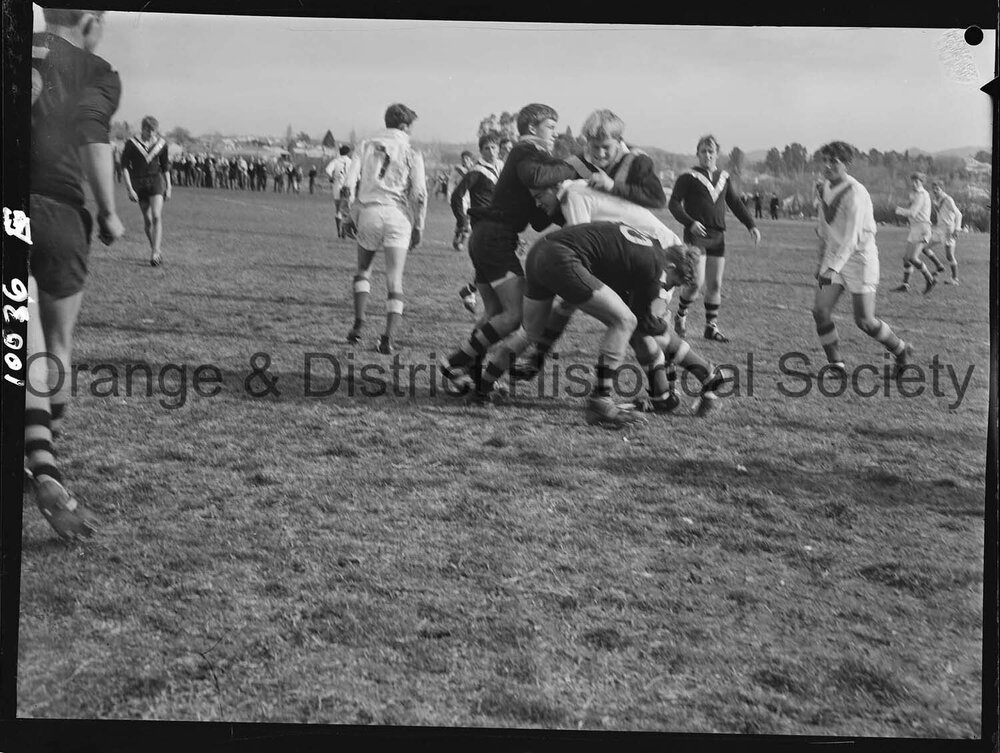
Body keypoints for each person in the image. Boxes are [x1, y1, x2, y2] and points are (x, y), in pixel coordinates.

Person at [27, 8, 125, 539]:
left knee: (18, 337)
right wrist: (109, 212)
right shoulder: (96, 69)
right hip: (61, 211)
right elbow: (92, 135)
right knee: (55, 343)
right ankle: (46, 456)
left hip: (9, 207)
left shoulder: (13, 45)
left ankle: (37, 456)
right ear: (89, 18)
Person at [501, 222, 722, 427]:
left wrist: (539, 354)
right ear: (672, 266)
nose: (666, 289)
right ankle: (691, 381)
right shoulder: (654, 266)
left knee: (638, 326)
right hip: (574, 254)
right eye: (672, 283)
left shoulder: (652, 254)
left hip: (570, 250)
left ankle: (684, 385)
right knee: (636, 325)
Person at [437, 103, 580, 397]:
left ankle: (472, 375)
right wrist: (577, 166)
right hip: (494, 239)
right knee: (515, 316)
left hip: (487, 236)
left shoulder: (528, 155)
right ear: (532, 129)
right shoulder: (528, 150)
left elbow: (539, 220)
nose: (554, 134)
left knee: (494, 314)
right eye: (551, 127)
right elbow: (537, 177)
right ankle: (454, 364)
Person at [812, 141, 912, 380]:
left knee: (864, 321)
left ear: (846, 164)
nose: (827, 165)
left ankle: (900, 349)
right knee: (820, 311)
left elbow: (852, 237)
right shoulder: (823, 187)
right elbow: (824, 228)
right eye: (824, 160)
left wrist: (832, 266)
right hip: (835, 257)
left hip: (860, 258)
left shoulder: (856, 192)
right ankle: (836, 365)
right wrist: (821, 262)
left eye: (833, 161)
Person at [343, 103, 427, 354]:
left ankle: (358, 324)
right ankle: (387, 339)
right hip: (398, 215)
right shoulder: (412, 151)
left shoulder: (365, 144)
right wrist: (419, 225)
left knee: (363, 270)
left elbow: (349, 184)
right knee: (394, 280)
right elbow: (420, 194)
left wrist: (348, 215)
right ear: (404, 126)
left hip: (369, 212)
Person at [668, 134, 760, 343]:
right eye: (703, 151)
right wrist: (689, 222)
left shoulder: (724, 177)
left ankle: (711, 327)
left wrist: (751, 225)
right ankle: (681, 314)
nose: (707, 155)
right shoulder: (688, 177)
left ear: (717, 154)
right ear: (697, 154)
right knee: (695, 283)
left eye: (711, 151)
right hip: (696, 235)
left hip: (717, 236)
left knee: (715, 284)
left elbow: (735, 203)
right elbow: (673, 204)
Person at [450, 132, 504, 312]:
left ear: (499, 149)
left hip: (498, 222)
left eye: (493, 147)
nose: (491, 151)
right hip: (482, 223)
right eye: (486, 148)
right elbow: (457, 196)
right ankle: (494, 302)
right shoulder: (476, 172)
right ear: (480, 151)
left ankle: (469, 290)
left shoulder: (501, 167)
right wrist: (462, 220)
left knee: (491, 262)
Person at [121, 115, 171, 266]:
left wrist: (169, 187)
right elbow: (124, 167)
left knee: (156, 216)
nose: (152, 134)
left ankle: (155, 252)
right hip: (139, 183)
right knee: (148, 220)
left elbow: (165, 167)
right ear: (143, 129)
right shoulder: (131, 144)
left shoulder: (162, 144)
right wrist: (130, 189)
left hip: (156, 181)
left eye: (154, 131)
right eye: (149, 131)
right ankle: (155, 249)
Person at [891, 172, 940, 293]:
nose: (914, 183)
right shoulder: (914, 194)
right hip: (915, 228)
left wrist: (897, 209)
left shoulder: (922, 195)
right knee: (906, 258)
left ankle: (930, 279)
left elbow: (913, 212)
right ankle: (905, 285)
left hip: (923, 228)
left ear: (922, 182)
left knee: (913, 258)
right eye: (912, 181)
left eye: (916, 181)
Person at [926, 180, 963, 284]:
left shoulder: (948, 199)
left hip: (948, 230)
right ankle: (939, 266)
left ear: (942, 189)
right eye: (933, 188)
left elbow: (958, 214)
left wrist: (957, 229)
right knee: (924, 248)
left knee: (949, 255)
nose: (935, 190)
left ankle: (954, 279)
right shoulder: (936, 200)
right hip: (939, 230)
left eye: (937, 188)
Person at [325, 144, 353, 238]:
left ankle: (339, 231)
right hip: (348, 188)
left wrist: (332, 178)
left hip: (337, 186)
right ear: (348, 152)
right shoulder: (351, 162)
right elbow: (357, 176)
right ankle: (344, 231)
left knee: (338, 209)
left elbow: (328, 170)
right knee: (346, 210)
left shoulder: (336, 161)